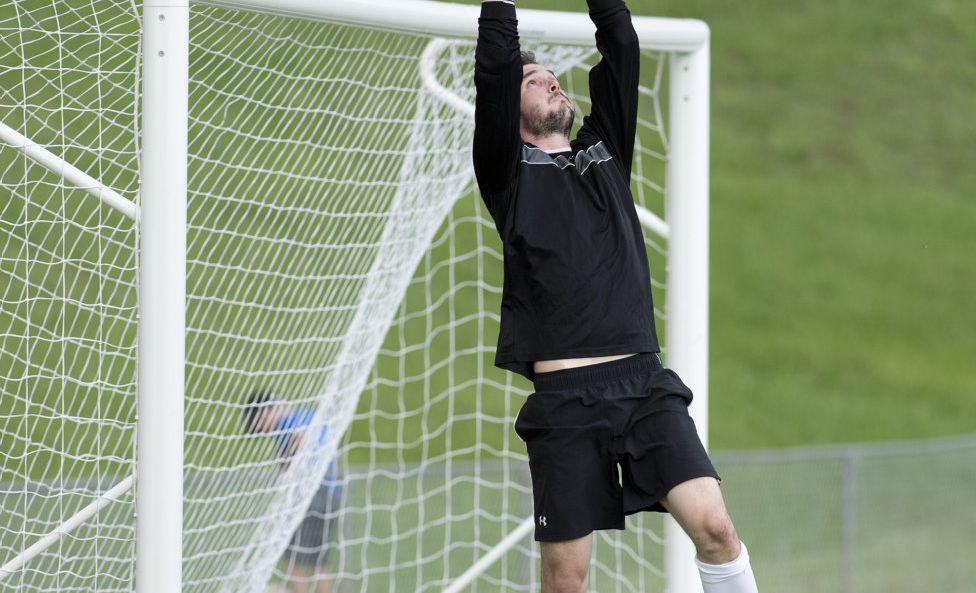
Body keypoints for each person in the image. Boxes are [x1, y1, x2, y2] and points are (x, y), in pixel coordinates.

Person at [472, 1, 759, 592]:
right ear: (509, 106)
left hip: (645, 386)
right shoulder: (509, 173)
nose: (550, 79)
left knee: (716, 529)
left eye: (550, 74)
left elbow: (620, 42)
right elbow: (496, 62)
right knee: (567, 579)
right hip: (566, 404)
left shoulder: (604, 154)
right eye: (532, 80)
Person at [243, 391, 342, 593]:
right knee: (318, 561)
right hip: (333, 493)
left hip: (313, 494)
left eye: (259, 423)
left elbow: (296, 449)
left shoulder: (285, 425)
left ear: (265, 413)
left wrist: (292, 449)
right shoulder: (310, 414)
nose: (263, 430)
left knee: (289, 556)